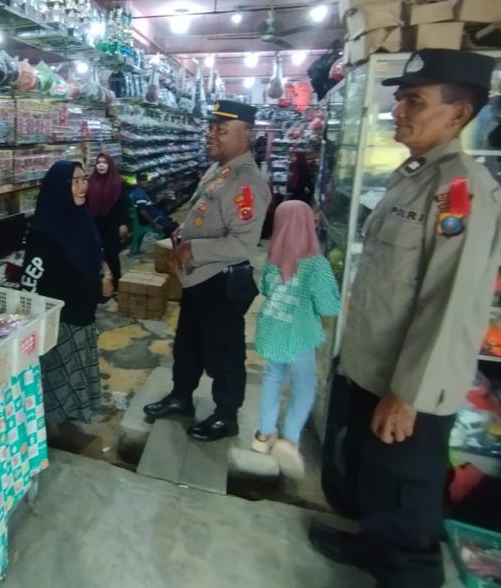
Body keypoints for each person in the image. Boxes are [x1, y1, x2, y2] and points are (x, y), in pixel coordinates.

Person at [309, 49, 501, 588]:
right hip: (376, 367)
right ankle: (370, 545)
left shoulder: (460, 191)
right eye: (399, 99)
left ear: (458, 113)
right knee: (375, 477)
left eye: (414, 101)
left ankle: (407, 573)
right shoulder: (415, 176)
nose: (397, 110)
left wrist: (408, 394)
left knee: (406, 496)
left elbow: (448, 302)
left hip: (409, 384)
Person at [144, 100, 271, 442]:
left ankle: (226, 416)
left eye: (221, 130)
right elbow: (203, 213)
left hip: (220, 283)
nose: (211, 134)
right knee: (188, 345)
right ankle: (181, 397)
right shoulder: (220, 169)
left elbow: (242, 244)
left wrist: (192, 249)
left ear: (245, 135)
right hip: (197, 280)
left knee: (224, 352)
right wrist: (182, 232)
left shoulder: (247, 182)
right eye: (211, 127)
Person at [251, 200, 341, 479]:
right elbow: (328, 306)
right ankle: (289, 440)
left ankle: (263, 434)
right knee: (304, 385)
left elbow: (266, 290)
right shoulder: (317, 265)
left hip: (272, 329)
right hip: (299, 335)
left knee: (273, 377)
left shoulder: (273, 258)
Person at [21, 161, 114, 426]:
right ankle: (52, 424)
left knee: (77, 367)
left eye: (84, 179)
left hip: (84, 313)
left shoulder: (82, 217)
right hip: (60, 320)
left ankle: (73, 412)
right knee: (59, 373)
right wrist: (33, 322)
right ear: (58, 188)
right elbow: (30, 281)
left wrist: (106, 274)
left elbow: (96, 254)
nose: (83, 186)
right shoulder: (44, 232)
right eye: (75, 181)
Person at [86, 151, 128, 287]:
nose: (101, 165)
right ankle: (99, 283)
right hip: (94, 223)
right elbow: (86, 203)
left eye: (104, 162)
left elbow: (123, 204)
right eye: (98, 163)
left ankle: (116, 283)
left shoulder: (118, 182)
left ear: (110, 164)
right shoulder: (91, 182)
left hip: (111, 224)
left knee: (111, 254)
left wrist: (123, 223)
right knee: (94, 253)